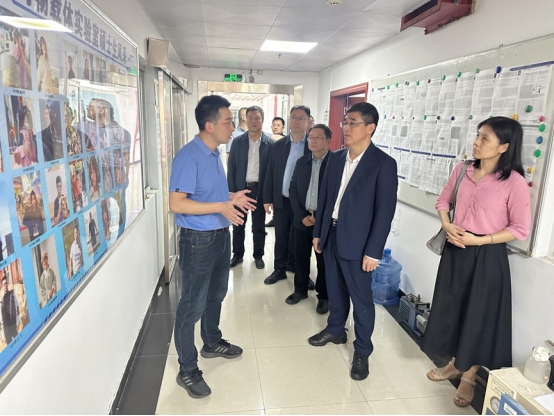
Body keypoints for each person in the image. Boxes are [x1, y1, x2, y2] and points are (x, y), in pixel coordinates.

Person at [422, 116, 531, 408]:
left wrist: (479, 240)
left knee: (477, 316)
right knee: (452, 309)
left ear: (504, 147)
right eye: (478, 135)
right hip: (455, 250)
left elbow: (520, 229)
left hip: (486, 256)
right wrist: (447, 225)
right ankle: (453, 364)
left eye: (485, 138)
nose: (476, 142)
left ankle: (468, 377)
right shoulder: (463, 170)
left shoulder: (514, 182)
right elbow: (443, 201)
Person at [168, 95, 257, 399]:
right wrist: (220, 205)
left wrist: (230, 197)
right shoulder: (188, 157)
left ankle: (211, 341)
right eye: (228, 122)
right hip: (198, 241)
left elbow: (206, 194)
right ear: (209, 125)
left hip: (220, 236)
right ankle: (187, 369)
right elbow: (177, 203)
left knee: (216, 294)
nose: (233, 127)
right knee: (191, 304)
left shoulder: (214, 153)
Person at [309, 102, 398, 381]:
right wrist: (319, 232)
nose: (346, 128)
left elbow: (384, 213)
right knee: (334, 289)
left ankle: (362, 350)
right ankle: (336, 329)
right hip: (331, 235)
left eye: (353, 123)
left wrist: (373, 251)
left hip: (359, 244)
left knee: (361, 299)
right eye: (345, 123)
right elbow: (325, 199)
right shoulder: (335, 158)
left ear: (370, 128)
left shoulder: (383, 164)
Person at [263, 105, 311, 285]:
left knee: (300, 239)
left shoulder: (312, 145)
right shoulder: (279, 145)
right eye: (294, 117)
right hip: (282, 200)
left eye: (301, 118)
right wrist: (267, 198)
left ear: (308, 121)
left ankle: (301, 273)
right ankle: (279, 269)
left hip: (303, 203)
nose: (297, 121)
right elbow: (270, 172)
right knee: (281, 237)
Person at [288, 124, 331, 314]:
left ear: (328, 140)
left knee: (323, 262)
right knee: (300, 257)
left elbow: (336, 196)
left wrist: (318, 217)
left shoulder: (335, 164)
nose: (312, 141)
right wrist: (302, 216)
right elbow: (293, 190)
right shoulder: (301, 162)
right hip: (302, 219)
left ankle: (324, 297)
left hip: (324, 222)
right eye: (311, 137)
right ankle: (300, 290)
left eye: (318, 137)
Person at [227, 106, 273, 270]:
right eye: (251, 118)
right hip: (241, 189)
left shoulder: (270, 144)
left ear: (262, 120)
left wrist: (269, 196)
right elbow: (231, 168)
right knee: (238, 224)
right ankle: (237, 255)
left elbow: (272, 172)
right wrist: (231, 193)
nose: (254, 121)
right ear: (246, 119)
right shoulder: (237, 142)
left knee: (259, 226)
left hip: (260, 190)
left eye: (257, 118)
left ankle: (258, 255)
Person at [0, 275, 19, 344]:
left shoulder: (12, 294)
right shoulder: (1, 301)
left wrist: (17, 323)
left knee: (18, 343)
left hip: (13, 325)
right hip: (7, 329)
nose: (5, 285)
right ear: (2, 286)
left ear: (7, 284)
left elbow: (17, 308)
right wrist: (3, 335)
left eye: (6, 283)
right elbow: (1, 319)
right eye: (3, 284)